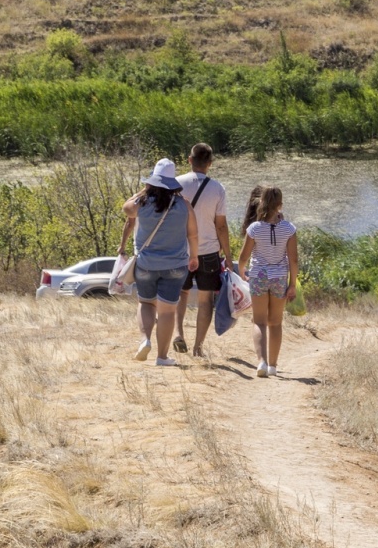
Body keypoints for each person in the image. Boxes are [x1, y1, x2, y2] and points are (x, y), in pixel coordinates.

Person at [115, 157, 197, 365]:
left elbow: (126, 209)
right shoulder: (184, 205)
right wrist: (194, 256)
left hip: (146, 264)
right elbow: (193, 234)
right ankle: (162, 356)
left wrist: (142, 192)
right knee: (168, 310)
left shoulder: (142, 203)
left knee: (145, 303)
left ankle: (145, 340)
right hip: (176, 265)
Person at [174, 143, 230, 357]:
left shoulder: (175, 184)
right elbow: (221, 225)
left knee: (180, 294)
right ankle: (198, 347)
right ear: (210, 164)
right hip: (208, 252)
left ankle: (178, 334)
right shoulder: (218, 188)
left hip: (181, 250)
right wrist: (228, 253)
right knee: (206, 299)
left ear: (190, 160)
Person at [236, 184, 297, 378]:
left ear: (261, 203)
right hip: (279, 277)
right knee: (276, 323)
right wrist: (292, 284)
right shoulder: (289, 228)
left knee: (259, 321)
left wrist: (242, 270)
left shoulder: (254, 228)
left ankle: (261, 361)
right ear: (280, 205)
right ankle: (273, 365)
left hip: (259, 276)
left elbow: (244, 256)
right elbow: (293, 260)